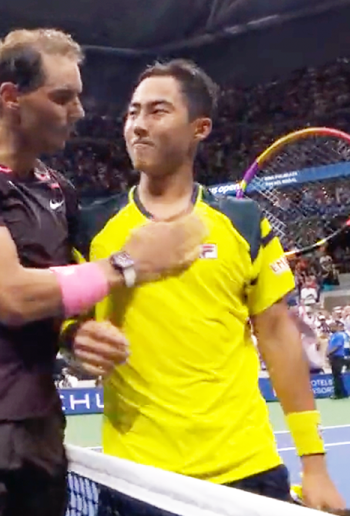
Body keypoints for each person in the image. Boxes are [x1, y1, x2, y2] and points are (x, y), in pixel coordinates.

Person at [0, 28, 208, 516]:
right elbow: (13, 296)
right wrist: (129, 264)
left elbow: (60, 294)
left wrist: (76, 336)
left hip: (39, 436)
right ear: (11, 97)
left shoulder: (60, 190)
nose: (77, 112)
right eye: (62, 97)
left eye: (78, 97)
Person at [66, 59, 345, 512]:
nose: (137, 125)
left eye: (157, 111)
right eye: (132, 112)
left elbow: (277, 337)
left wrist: (314, 464)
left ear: (200, 127)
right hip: (137, 478)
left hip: (245, 472)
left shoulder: (244, 224)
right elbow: (64, 325)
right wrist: (73, 338)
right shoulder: (91, 228)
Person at [327, 322, 349, 399]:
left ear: (336, 327)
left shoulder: (339, 335)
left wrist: (329, 352)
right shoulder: (332, 336)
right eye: (329, 327)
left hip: (338, 357)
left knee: (337, 376)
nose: (330, 328)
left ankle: (338, 393)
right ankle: (343, 393)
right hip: (333, 357)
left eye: (332, 327)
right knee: (336, 375)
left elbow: (338, 346)